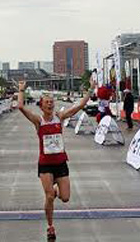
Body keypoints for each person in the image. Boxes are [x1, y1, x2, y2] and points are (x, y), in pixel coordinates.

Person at [16, 76, 97, 241]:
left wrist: (91, 89)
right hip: (45, 164)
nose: (50, 103)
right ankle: (50, 226)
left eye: (51, 101)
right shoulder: (38, 121)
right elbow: (20, 107)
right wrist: (21, 90)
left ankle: (55, 189)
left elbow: (80, 105)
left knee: (65, 198)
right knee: (50, 197)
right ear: (41, 105)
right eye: (46, 102)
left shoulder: (59, 117)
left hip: (60, 163)